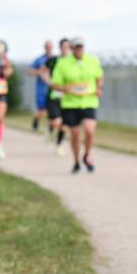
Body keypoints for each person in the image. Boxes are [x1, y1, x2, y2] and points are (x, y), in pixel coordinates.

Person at [49, 36, 103, 173]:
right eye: (77, 47)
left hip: (89, 101)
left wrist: (98, 88)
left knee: (90, 130)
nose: (79, 49)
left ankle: (87, 155)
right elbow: (55, 83)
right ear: (72, 48)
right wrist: (64, 89)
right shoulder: (63, 63)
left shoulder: (92, 60)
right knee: (74, 133)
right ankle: (76, 161)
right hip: (70, 104)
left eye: (81, 46)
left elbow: (99, 76)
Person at [40, 38, 71, 155]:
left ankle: (58, 145)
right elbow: (42, 71)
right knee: (57, 121)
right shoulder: (53, 60)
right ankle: (50, 127)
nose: (66, 49)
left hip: (67, 96)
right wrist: (49, 82)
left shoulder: (72, 61)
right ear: (60, 47)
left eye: (68, 47)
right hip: (54, 94)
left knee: (65, 123)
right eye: (64, 47)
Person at [28, 41, 54, 132]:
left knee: (52, 109)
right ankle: (36, 121)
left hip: (53, 88)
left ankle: (51, 127)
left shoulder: (56, 59)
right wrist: (40, 72)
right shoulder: (39, 60)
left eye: (50, 46)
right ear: (45, 47)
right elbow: (30, 71)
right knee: (41, 110)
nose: (49, 48)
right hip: (41, 88)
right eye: (47, 46)